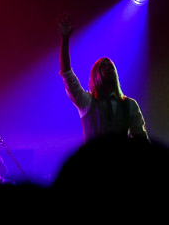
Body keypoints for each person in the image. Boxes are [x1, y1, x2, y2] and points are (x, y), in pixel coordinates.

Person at [58, 15, 148, 143]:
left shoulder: (130, 105)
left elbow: (141, 138)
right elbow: (67, 73)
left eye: (111, 66)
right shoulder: (87, 101)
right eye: (103, 66)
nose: (108, 68)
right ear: (96, 74)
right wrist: (65, 40)